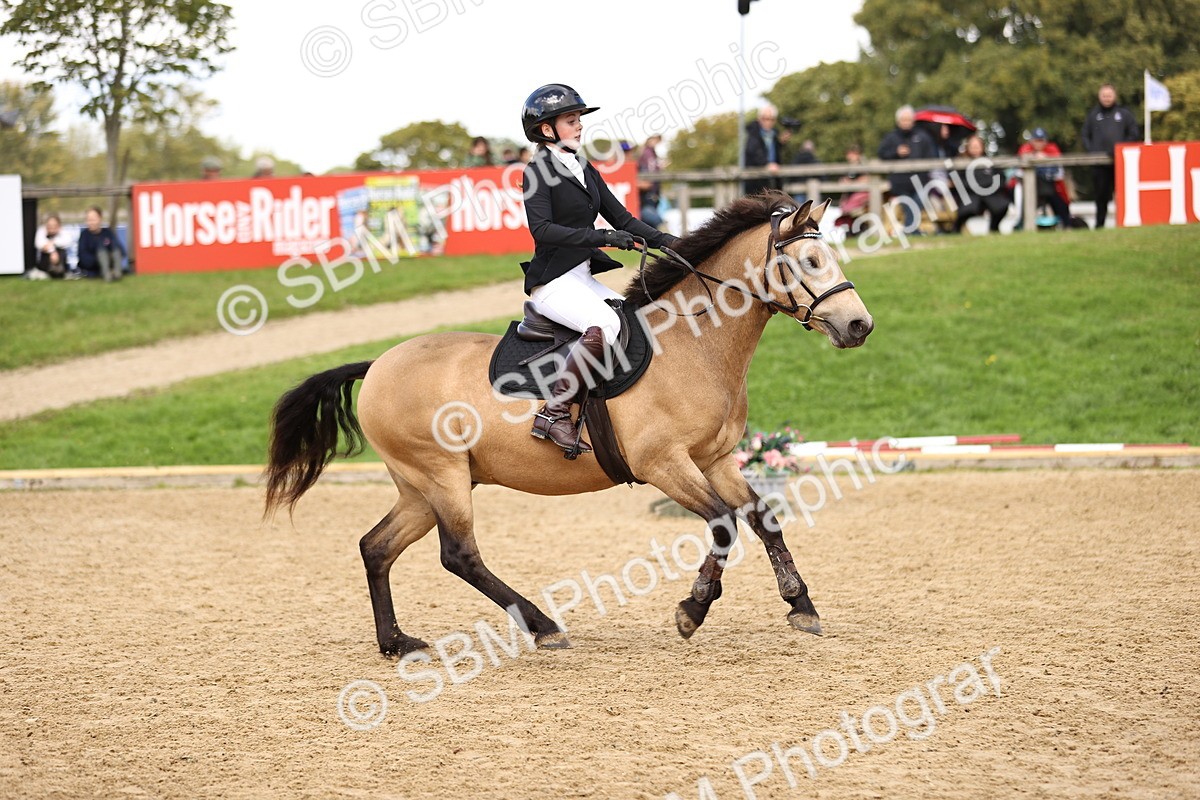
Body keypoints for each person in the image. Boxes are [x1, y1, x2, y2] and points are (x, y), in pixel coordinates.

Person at [519, 83, 679, 454]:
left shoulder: (583, 168)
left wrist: (669, 242)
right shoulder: (536, 172)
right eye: (571, 120)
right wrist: (602, 237)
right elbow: (541, 229)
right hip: (553, 283)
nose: (579, 126)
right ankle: (554, 413)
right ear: (547, 130)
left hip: (580, 278)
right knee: (605, 325)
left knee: (636, 318)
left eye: (579, 120)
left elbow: (622, 216)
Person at [1080, 83, 1139, 229]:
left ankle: (1125, 223)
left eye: (1109, 95)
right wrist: (1092, 151)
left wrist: (1120, 149)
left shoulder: (1124, 114)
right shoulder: (1093, 115)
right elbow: (1085, 135)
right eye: (1104, 95)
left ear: (1115, 96)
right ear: (1099, 97)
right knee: (1101, 196)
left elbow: (1134, 134)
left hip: (1120, 163)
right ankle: (1100, 225)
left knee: (1123, 194)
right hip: (1100, 164)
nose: (1107, 98)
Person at [878, 105, 937, 232]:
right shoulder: (891, 138)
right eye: (903, 120)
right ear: (898, 121)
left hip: (920, 181)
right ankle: (912, 230)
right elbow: (881, 154)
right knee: (908, 203)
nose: (906, 123)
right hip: (900, 182)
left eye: (908, 120)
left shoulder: (923, 137)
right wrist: (896, 152)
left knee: (917, 202)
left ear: (913, 120)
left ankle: (910, 229)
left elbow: (932, 157)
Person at [1014, 128, 1071, 229]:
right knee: (1025, 202)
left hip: (1051, 187)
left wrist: (1046, 159)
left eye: (1041, 140)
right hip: (1030, 189)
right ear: (1032, 141)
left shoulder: (1052, 149)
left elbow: (1059, 173)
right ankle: (1022, 225)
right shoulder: (1026, 149)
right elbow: (1019, 172)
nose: (1039, 143)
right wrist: (1035, 158)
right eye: (1036, 140)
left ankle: (1066, 224)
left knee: (1060, 202)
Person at [952, 135, 1010, 234]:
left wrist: (990, 187)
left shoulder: (990, 162)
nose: (975, 149)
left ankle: (994, 228)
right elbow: (957, 180)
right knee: (968, 208)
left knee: (1001, 205)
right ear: (968, 148)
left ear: (982, 147)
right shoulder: (961, 163)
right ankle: (956, 228)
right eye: (972, 146)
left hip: (990, 193)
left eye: (977, 146)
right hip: (971, 193)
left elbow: (1001, 178)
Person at [743, 104, 785, 195]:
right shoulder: (753, 133)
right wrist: (767, 164)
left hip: (772, 180)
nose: (768, 122)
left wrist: (781, 143)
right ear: (759, 118)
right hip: (755, 181)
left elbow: (773, 154)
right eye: (765, 118)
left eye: (771, 119)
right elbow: (754, 151)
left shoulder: (775, 134)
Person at [77, 206, 127, 282]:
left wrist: (108, 257)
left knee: (114, 251)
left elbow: (120, 251)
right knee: (102, 252)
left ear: (100, 219)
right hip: (92, 268)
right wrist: (98, 259)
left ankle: (117, 273)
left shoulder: (108, 233)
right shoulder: (84, 235)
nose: (91, 222)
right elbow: (83, 257)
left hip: (110, 262)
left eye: (93, 220)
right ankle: (107, 275)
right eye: (88, 220)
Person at [31, 213, 76, 279]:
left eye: (54, 226)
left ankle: (60, 272)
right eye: (49, 226)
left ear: (59, 226)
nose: (52, 229)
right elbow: (39, 244)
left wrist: (53, 243)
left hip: (61, 262)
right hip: (46, 262)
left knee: (61, 251)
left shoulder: (64, 232)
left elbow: (67, 242)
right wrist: (52, 251)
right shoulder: (41, 231)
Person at [636, 134, 665, 228]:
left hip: (652, 192)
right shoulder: (648, 153)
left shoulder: (648, 153)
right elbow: (649, 171)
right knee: (653, 220)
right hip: (648, 193)